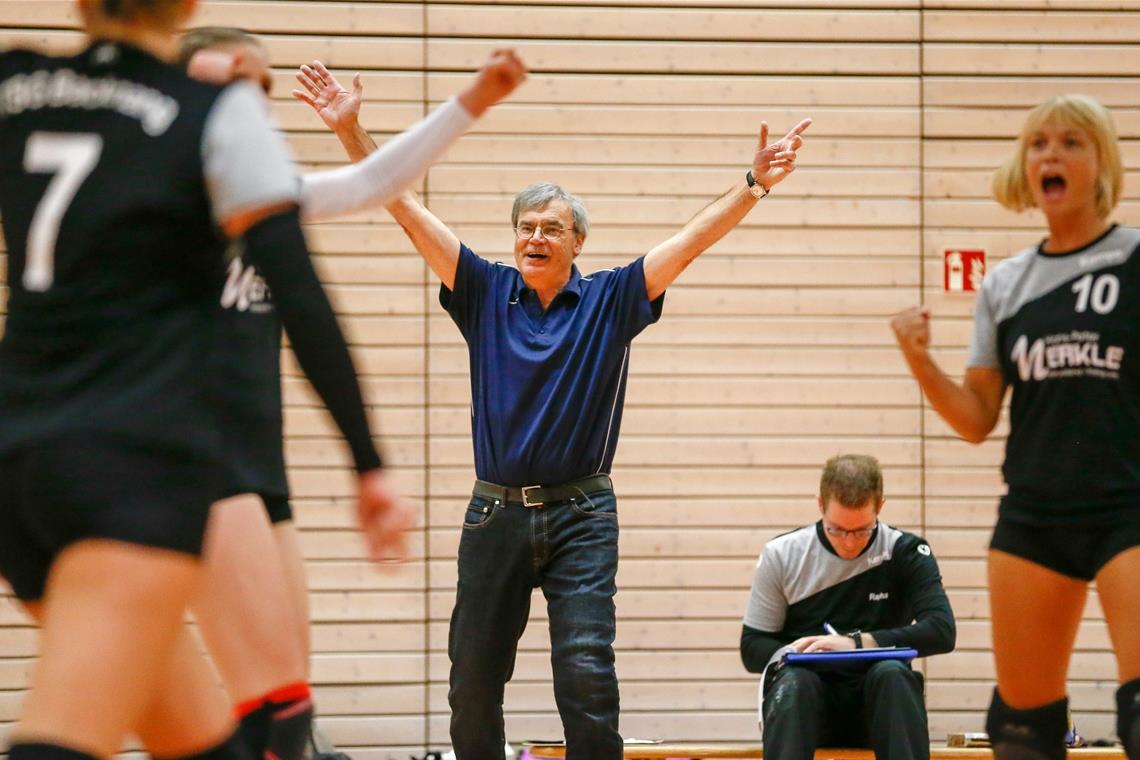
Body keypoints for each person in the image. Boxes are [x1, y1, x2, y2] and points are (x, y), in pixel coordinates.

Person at [295, 63, 810, 760]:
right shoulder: (482, 290)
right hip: (493, 514)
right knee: (472, 680)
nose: (535, 236)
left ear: (577, 243)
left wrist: (753, 185)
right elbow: (404, 207)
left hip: (582, 516)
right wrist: (351, 130)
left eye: (552, 228)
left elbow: (692, 240)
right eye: (526, 226)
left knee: (586, 676)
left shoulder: (612, 298)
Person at [0, 2, 409, 760]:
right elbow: (300, 290)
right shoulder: (210, 114)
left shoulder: (17, 80)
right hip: (132, 465)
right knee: (63, 739)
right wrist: (368, 459)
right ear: (188, 9)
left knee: (200, 741)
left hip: (19, 464)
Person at [174, 27, 526, 760]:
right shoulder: (155, 199)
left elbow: (367, 186)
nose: (244, 106)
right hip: (179, 466)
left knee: (283, 702)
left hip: (255, 469)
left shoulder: (259, 195)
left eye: (258, 90)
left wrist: (472, 100)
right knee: (256, 706)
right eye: (222, 87)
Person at [890, 93, 1140, 760]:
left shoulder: (1136, 259)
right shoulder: (1006, 284)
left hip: (1130, 505)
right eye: (1039, 143)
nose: (1051, 153)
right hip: (1035, 513)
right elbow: (976, 419)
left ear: (1102, 163)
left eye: (1071, 142)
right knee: (1022, 734)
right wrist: (920, 361)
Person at [740, 454, 955, 760]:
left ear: (880, 506)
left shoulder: (905, 551)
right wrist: (800, 652)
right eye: (837, 529)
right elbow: (752, 647)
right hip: (806, 707)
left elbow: (942, 631)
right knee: (796, 682)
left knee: (893, 674)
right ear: (820, 505)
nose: (850, 542)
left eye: (863, 530)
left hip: (881, 709)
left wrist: (855, 642)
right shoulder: (782, 554)